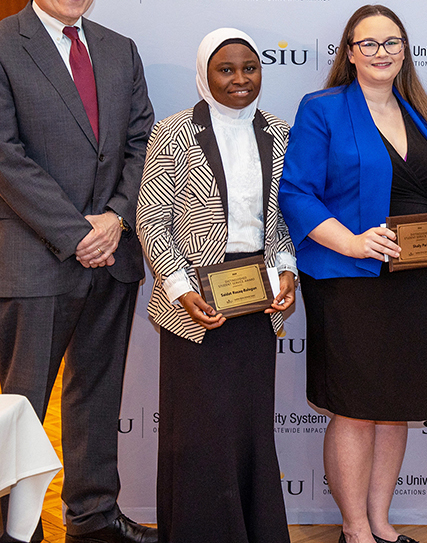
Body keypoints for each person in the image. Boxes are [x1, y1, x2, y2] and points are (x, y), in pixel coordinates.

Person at [0, 0, 156, 543]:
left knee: (97, 401)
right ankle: (17, 532)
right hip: (37, 258)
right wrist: (77, 233)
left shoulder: (119, 48)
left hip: (113, 256)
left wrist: (117, 219)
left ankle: (93, 519)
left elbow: (140, 142)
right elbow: (0, 156)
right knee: (21, 409)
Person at [279, 5, 427, 543]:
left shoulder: (421, 111)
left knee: (396, 406)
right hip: (347, 279)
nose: (382, 52)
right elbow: (296, 193)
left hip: (417, 279)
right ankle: (355, 529)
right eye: (370, 44)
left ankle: (381, 523)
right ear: (350, 52)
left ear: (404, 49)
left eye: (392, 42)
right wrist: (354, 241)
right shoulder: (324, 109)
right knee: (357, 410)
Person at [136, 28, 296, 543]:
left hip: (256, 297)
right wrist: (181, 288)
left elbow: (286, 218)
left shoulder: (281, 131)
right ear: (205, 74)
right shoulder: (173, 131)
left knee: (250, 427)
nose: (240, 80)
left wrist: (287, 272)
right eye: (226, 70)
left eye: (249, 68)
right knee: (199, 431)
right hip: (194, 299)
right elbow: (153, 218)